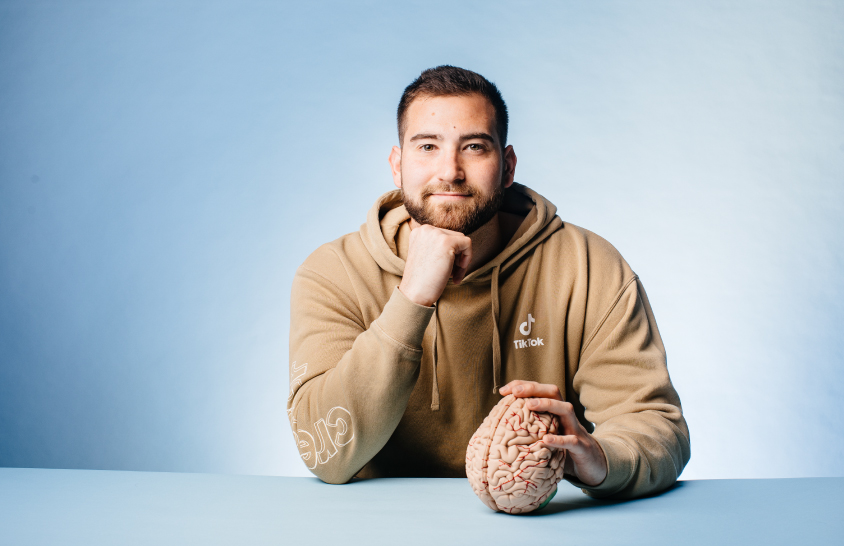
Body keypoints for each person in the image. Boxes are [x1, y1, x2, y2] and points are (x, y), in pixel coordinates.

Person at [286, 65, 690, 499]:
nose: (450, 171)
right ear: (397, 165)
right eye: (427, 146)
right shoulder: (333, 272)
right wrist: (413, 296)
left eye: (474, 147)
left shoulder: (588, 266)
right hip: (383, 528)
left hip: (539, 530)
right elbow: (325, 451)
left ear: (508, 165)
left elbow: (656, 423)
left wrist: (601, 459)